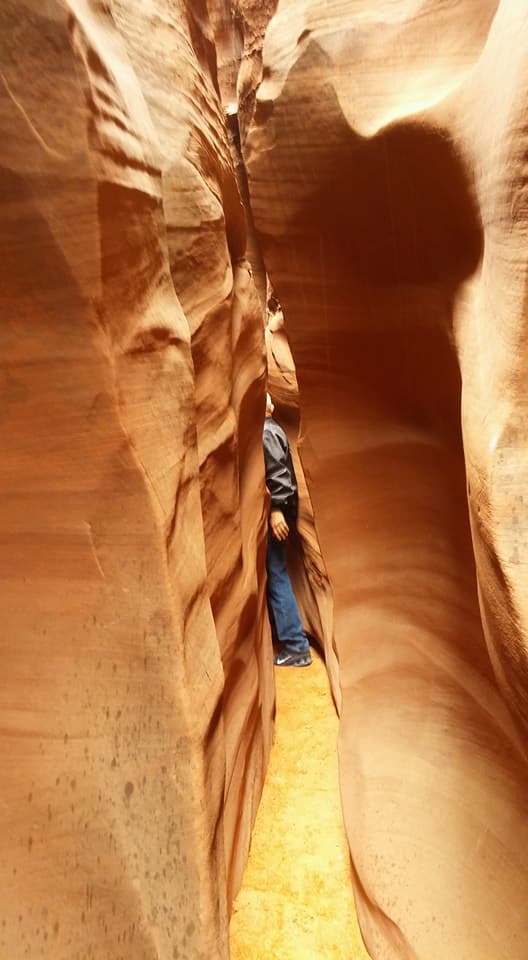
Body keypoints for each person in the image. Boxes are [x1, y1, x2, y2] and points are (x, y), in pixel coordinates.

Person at [263, 392, 312, 667]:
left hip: (278, 514)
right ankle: (288, 637)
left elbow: (278, 474)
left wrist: (276, 509)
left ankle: (296, 645)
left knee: (276, 573)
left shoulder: (266, 432)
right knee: (275, 571)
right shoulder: (273, 429)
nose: (272, 401)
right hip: (281, 511)